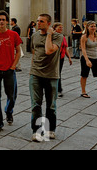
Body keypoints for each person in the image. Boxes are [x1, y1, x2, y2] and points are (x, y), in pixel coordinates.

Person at [29, 14, 63, 142]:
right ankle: (37, 131)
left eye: (41, 21)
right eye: (37, 21)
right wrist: (32, 69)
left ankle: (50, 130)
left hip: (51, 75)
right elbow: (35, 53)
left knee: (51, 105)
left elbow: (49, 50)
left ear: (48, 23)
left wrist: (49, 34)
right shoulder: (34, 36)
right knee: (35, 104)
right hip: (36, 74)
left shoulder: (58, 36)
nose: (38, 23)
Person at [53, 23, 72, 98]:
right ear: (55, 28)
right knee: (56, 73)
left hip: (61, 57)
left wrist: (69, 58)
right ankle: (58, 89)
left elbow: (65, 48)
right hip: (54, 57)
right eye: (59, 27)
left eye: (62, 28)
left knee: (58, 73)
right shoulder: (53, 36)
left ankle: (58, 89)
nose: (61, 29)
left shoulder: (62, 37)